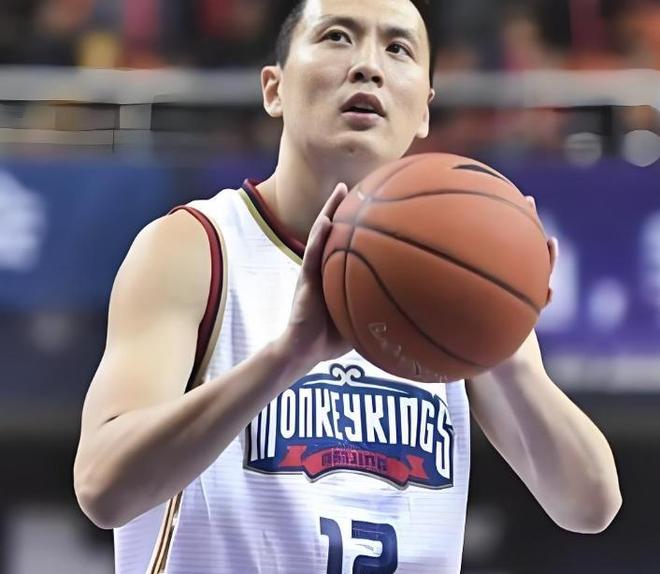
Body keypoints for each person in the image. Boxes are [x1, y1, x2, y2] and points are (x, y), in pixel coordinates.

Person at [73, 1, 622, 572]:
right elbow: (103, 489)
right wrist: (287, 358)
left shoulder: (457, 278)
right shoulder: (196, 246)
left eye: (398, 48)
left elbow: (589, 507)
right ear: (274, 89)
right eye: (337, 37)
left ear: (424, 110)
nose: (369, 65)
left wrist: (505, 341)